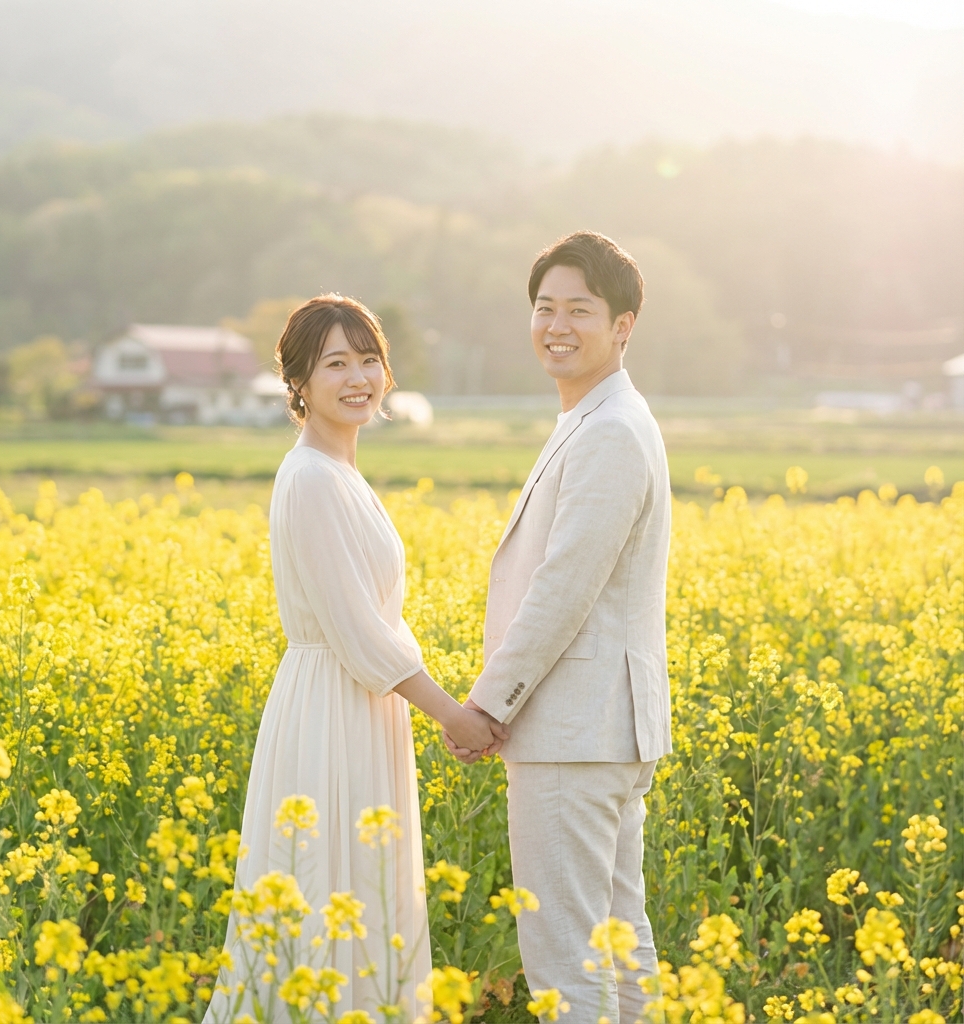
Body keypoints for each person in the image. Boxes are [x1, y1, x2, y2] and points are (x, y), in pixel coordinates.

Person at [205, 294, 506, 1022]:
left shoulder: (337, 474)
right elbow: (357, 631)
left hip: (358, 706)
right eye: (335, 363)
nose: (358, 376)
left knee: (358, 894)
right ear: (298, 383)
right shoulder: (310, 477)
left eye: (368, 359)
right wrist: (454, 716)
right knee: (328, 894)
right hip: (332, 707)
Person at [445, 231, 672, 1024]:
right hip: (598, 728)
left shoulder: (610, 428)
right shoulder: (597, 416)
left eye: (580, 309)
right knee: (616, 945)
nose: (557, 325)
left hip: (576, 731)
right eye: (545, 308)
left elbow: (564, 588)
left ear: (624, 325)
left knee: (568, 959)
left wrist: (489, 704)